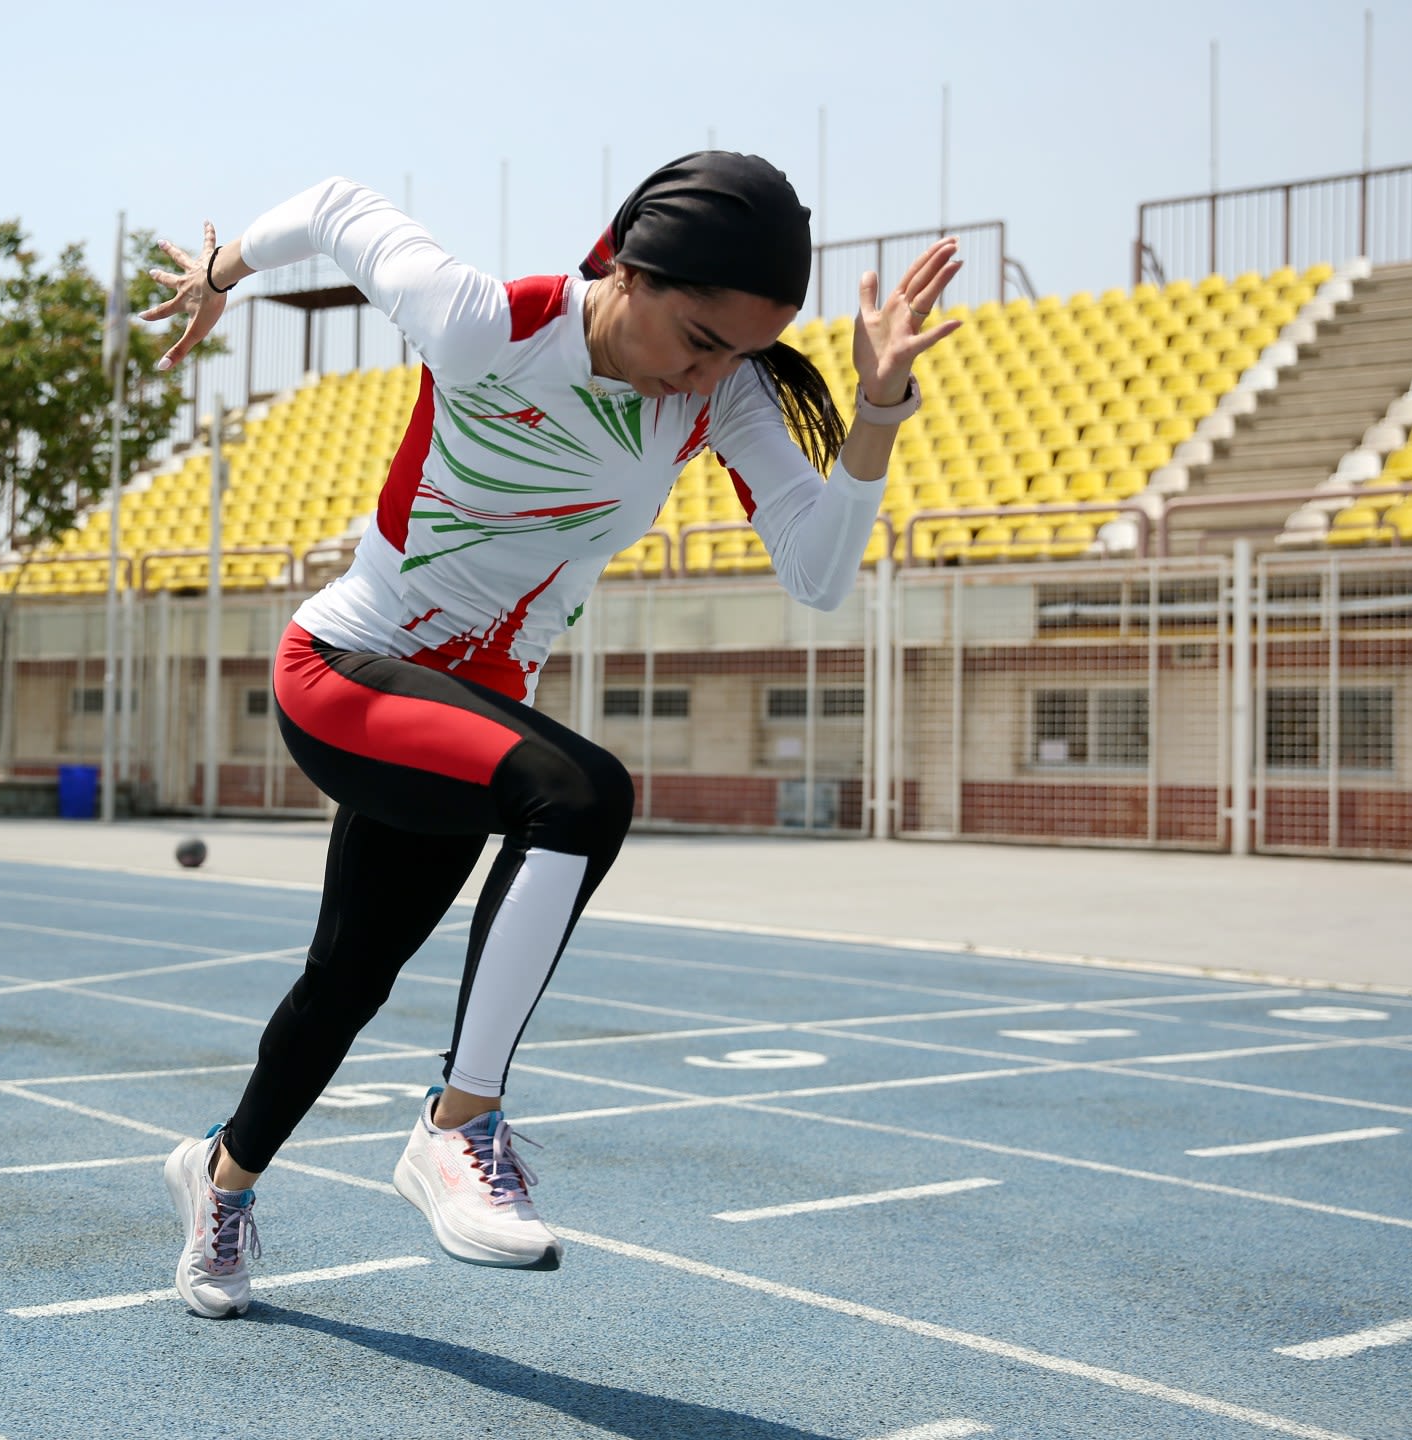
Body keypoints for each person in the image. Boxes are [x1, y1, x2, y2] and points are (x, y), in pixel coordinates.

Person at [139, 152, 961, 1318]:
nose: (711, 369)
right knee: (580, 795)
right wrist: (222, 273)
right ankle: (457, 1127)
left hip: (468, 720)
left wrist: (877, 410)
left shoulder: (718, 397)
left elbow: (821, 576)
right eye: (699, 335)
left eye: (738, 351)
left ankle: (216, 1179)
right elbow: (331, 206)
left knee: (347, 981)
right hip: (345, 673)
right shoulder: (485, 323)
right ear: (628, 266)